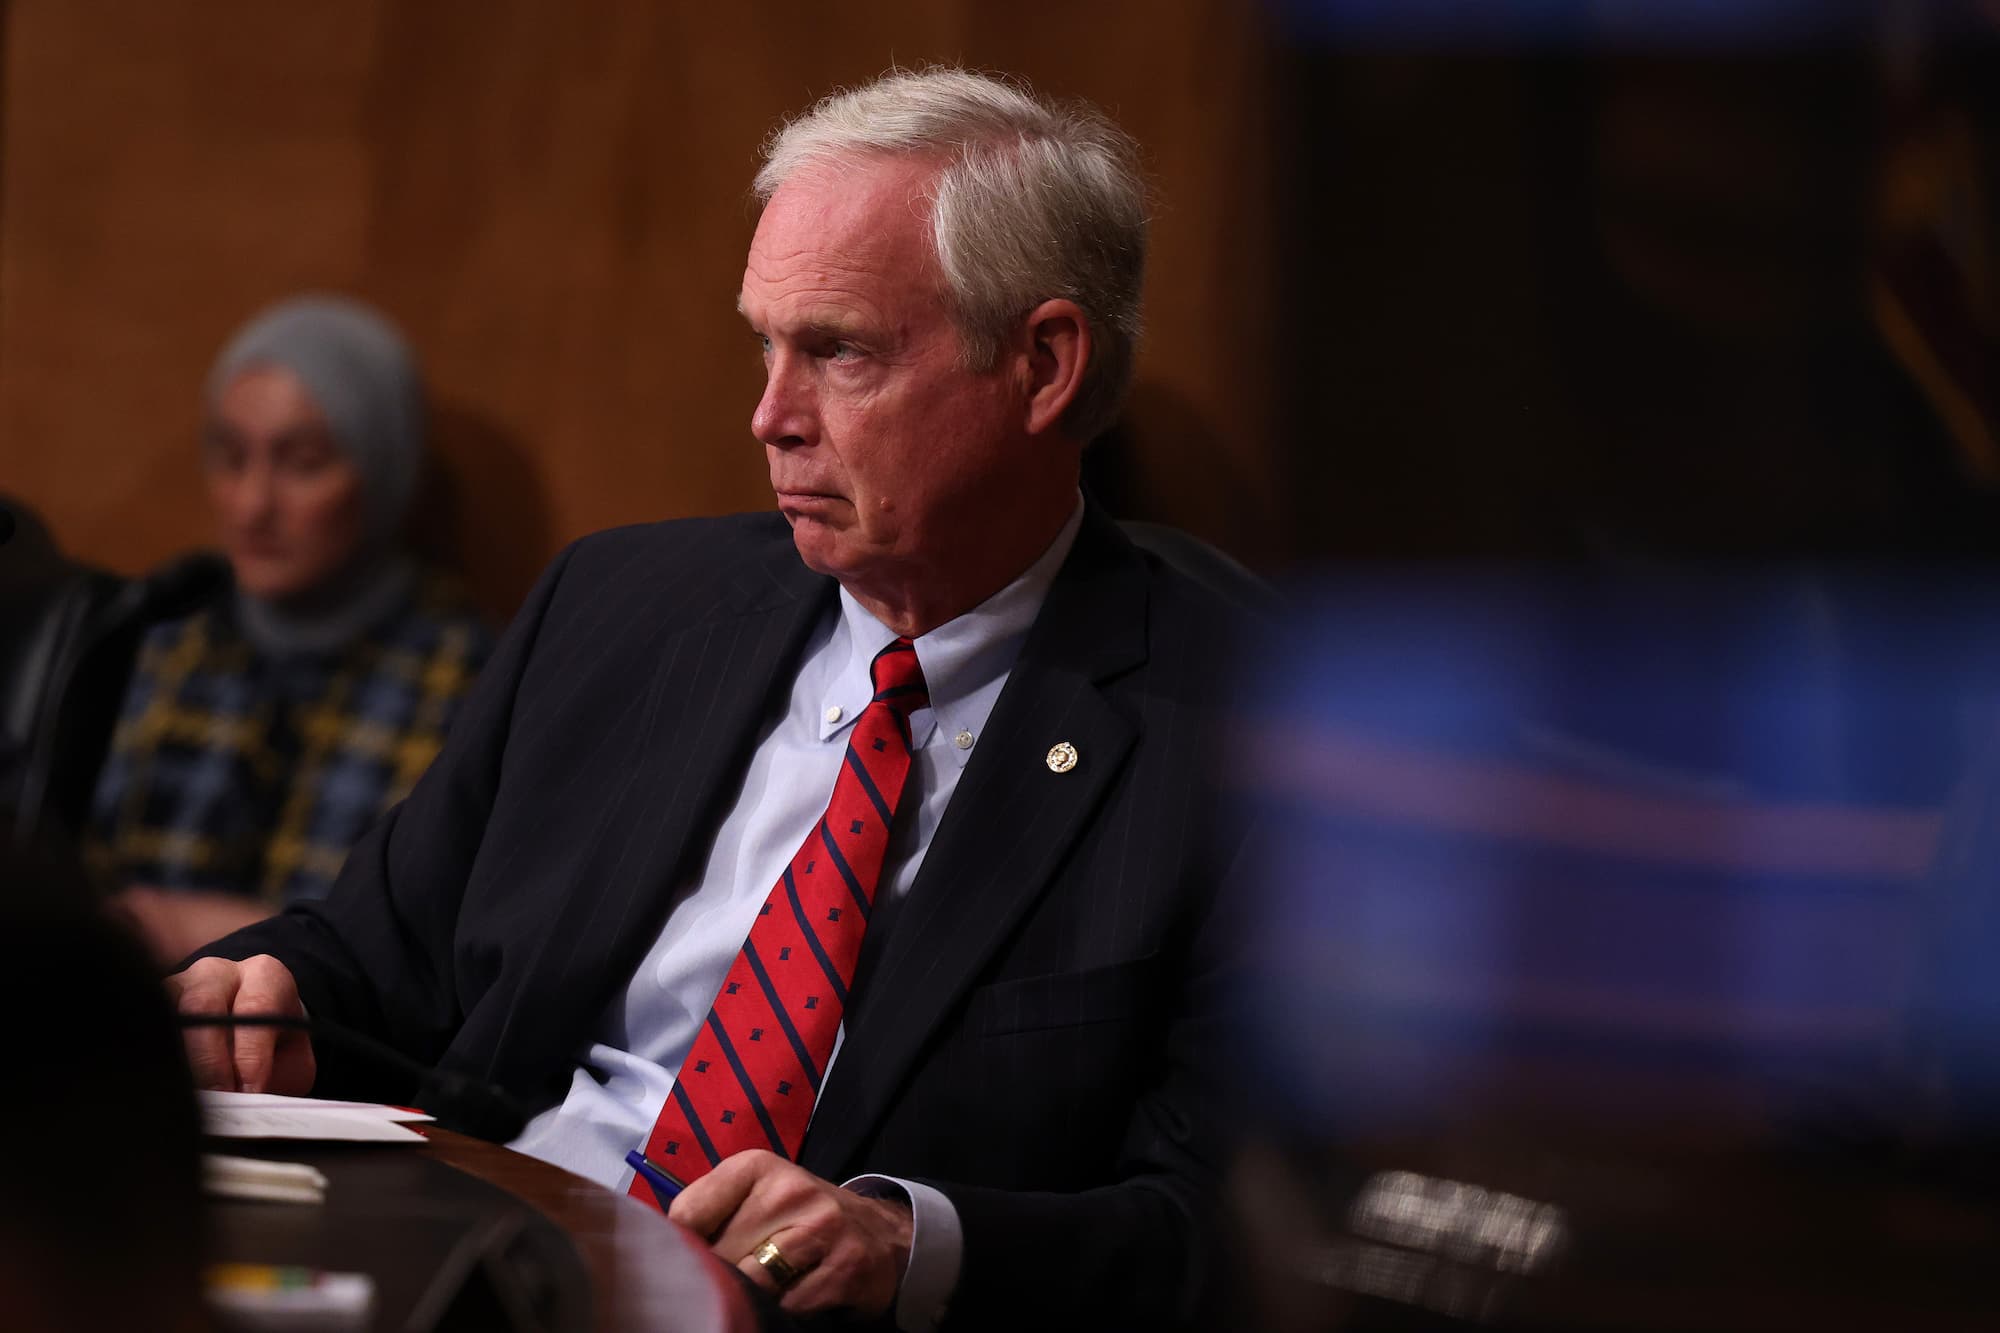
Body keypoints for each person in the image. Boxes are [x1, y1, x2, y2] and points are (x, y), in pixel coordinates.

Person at [168, 70, 1251, 1331]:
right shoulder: (619, 606)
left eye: (838, 351)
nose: (769, 417)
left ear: (1043, 363)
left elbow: (1226, 1230)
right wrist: (270, 996)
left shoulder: (1240, 732)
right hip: (471, 1261)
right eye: (764, 343)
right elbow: (375, 956)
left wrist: (912, 1244)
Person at [89, 297, 494, 963]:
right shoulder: (165, 632)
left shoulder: (460, 677)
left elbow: (433, 948)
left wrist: (209, 930)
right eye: (230, 455)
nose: (252, 505)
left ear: (383, 470)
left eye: (302, 462)